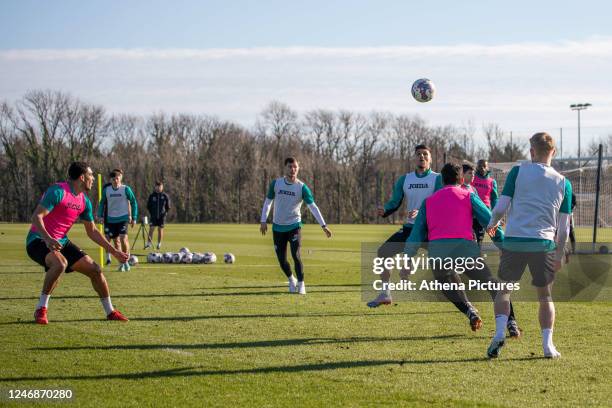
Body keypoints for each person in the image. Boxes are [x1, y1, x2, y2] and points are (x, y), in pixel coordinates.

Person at [404, 163, 520, 335]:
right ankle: (511, 323)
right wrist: (502, 244)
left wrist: (408, 259)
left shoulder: (428, 202)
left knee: (446, 283)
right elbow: (490, 221)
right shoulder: (468, 196)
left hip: (439, 252)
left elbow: (416, 234)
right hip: (465, 249)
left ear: (442, 180)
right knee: (490, 282)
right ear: (461, 178)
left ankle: (469, 311)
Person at [486, 132, 572, 359]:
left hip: (514, 242)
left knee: (504, 291)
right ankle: (547, 346)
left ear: (531, 151)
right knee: (545, 297)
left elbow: (500, 207)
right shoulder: (564, 182)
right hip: (543, 244)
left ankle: (498, 334)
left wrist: (492, 225)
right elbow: (563, 229)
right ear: (553, 152)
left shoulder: (517, 171)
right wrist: (559, 254)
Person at [27, 161, 130, 324]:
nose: (93, 179)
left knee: (96, 270)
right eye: (90, 175)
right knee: (60, 264)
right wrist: (48, 238)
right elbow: (36, 217)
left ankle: (110, 312)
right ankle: (41, 309)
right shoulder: (58, 191)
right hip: (38, 239)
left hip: (61, 241)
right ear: (82, 177)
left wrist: (115, 252)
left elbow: (93, 231)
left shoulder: (84, 201)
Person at [367, 144, 442, 308]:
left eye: (425, 154)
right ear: (414, 158)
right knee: (383, 252)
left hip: (430, 230)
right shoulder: (405, 179)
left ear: (430, 158)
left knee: (446, 263)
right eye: (418, 154)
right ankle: (385, 294)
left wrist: (422, 211)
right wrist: (385, 209)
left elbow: (440, 203)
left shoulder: (438, 178)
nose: (421, 157)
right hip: (410, 229)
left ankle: (466, 294)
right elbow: (395, 201)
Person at [260, 157, 332, 295]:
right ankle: (291, 279)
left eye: (295, 167)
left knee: (296, 254)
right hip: (277, 228)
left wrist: (324, 225)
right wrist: (263, 220)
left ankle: (301, 283)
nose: (292, 170)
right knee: (282, 260)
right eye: (290, 167)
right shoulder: (276, 184)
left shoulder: (302, 187)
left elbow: (313, 207)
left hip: (294, 226)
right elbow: (268, 202)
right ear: (285, 168)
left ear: (298, 169)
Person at [96, 169, 138, 272]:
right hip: (111, 219)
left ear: (121, 178)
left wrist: (134, 217)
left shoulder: (126, 189)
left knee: (123, 239)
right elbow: (102, 203)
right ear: (111, 180)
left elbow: (133, 202)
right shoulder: (107, 190)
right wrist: (100, 215)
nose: (116, 181)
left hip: (123, 218)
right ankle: (121, 262)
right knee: (115, 243)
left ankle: (126, 260)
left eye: (117, 178)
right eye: (113, 179)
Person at [472, 160, 499, 246]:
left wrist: (495, 213)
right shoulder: (472, 178)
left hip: (484, 212)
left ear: (488, 168)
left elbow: (494, 199)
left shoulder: (492, 182)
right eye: (480, 166)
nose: (482, 168)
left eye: (484, 166)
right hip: (471, 212)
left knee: (479, 237)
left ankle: (477, 256)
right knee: (470, 237)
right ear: (476, 167)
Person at [146, 181, 171, 250]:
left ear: (162, 187)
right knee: (151, 229)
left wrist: (165, 213)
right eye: (157, 186)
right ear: (155, 187)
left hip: (162, 217)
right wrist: (152, 213)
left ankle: (159, 244)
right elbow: (148, 206)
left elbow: (168, 207)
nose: (158, 188)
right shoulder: (152, 196)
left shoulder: (165, 196)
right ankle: (148, 244)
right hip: (153, 216)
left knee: (160, 230)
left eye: (160, 186)